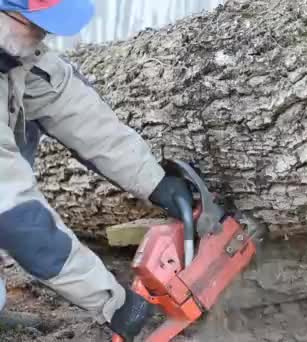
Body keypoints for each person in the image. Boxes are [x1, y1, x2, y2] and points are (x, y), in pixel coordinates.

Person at [0, 0, 193, 340]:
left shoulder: (13, 52)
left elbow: (70, 104)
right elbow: (16, 216)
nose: (43, 35)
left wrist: (153, 181)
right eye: (34, 25)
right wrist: (110, 301)